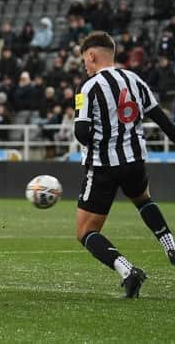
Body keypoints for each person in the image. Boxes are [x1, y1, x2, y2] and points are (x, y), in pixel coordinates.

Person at [74, 32, 175, 298]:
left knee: (86, 231)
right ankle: (170, 245)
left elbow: (81, 133)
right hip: (135, 162)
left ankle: (128, 271)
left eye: (84, 58)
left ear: (91, 55)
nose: (84, 64)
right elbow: (164, 122)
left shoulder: (88, 87)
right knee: (143, 200)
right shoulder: (135, 80)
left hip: (104, 167)